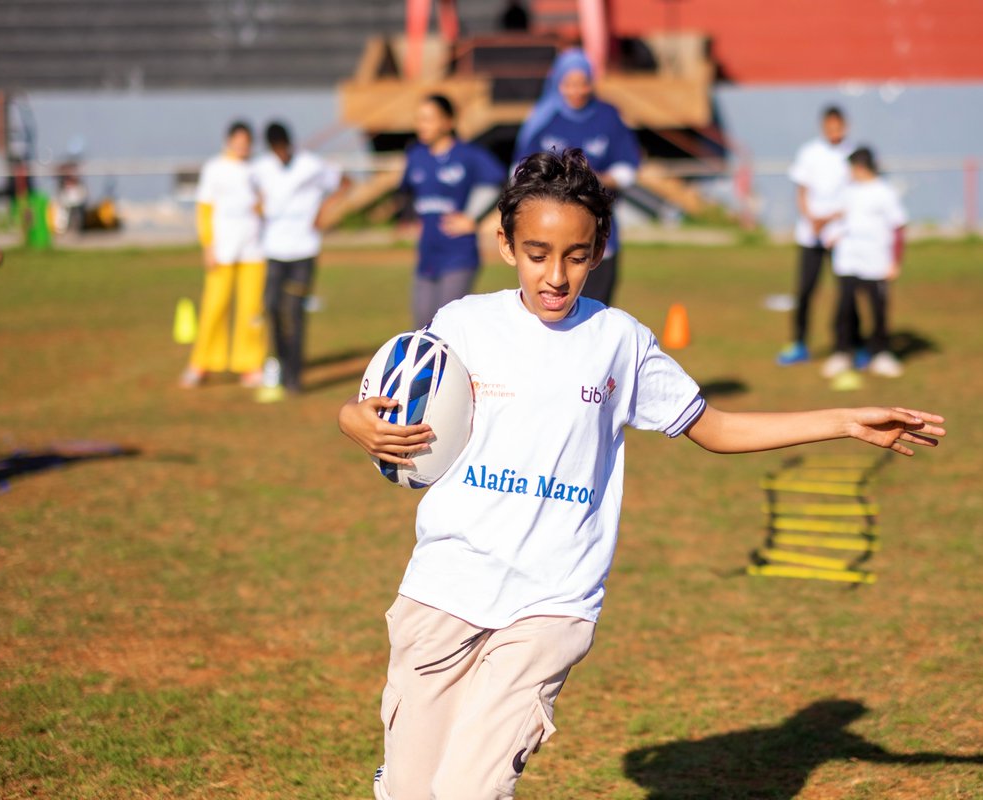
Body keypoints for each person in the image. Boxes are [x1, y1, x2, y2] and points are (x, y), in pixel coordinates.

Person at [337, 149, 946, 800]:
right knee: (410, 792)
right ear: (504, 243)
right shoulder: (463, 324)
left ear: (599, 252)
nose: (556, 275)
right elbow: (388, 399)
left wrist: (843, 422)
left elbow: (713, 428)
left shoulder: (620, 342)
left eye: (576, 255)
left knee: (467, 792)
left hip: (550, 603)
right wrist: (353, 420)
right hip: (443, 590)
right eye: (537, 252)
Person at [512, 48, 640, 306]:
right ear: (557, 82)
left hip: (595, 223)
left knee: (594, 308)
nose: (576, 90)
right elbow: (519, 170)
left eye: (583, 83)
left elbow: (628, 167)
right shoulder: (543, 118)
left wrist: (595, 182)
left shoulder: (608, 116)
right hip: (549, 226)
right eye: (569, 84)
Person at [251, 121, 347, 397]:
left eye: (283, 148)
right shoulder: (261, 169)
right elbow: (250, 195)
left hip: (303, 252)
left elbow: (345, 182)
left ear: (290, 144)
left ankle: (295, 375)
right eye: (275, 149)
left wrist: (324, 212)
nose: (280, 153)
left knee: (293, 310)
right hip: (273, 251)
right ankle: (279, 365)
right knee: (271, 308)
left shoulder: (312, 165)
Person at [401, 95, 507, 328]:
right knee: (421, 327)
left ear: (448, 122)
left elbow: (498, 181)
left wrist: (473, 219)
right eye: (419, 119)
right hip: (427, 254)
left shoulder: (468, 154)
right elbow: (407, 192)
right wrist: (410, 218)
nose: (422, 125)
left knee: (446, 325)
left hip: (458, 253)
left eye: (429, 119)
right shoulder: (416, 155)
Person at [181, 121, 266, 389]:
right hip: (222, 250)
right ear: (229, 140)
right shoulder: (214, 168)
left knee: (252, 310)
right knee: (214, 307)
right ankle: (202, 363)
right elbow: (204, 209)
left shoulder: (258, 170)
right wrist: (208, 245)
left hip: (253, 249)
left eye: (246, 140)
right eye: (238, 140)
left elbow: (265, 205)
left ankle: (250, 364)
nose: (242, 145)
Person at [778, 105, 854, 366]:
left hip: (841, 234)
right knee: (805, 290)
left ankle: (849, 344)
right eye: (830, 127)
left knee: (847, 291)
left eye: (838, 127)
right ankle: (799, 343)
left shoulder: (853, 154)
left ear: (845, 126)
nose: (834, 132)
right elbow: (801, 191)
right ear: (823, 127)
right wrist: (813, 219)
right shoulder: (809, 153)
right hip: (811, 234)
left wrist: (831, 219)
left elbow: (857, 196)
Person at [823, 146, 908, 378]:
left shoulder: (884, 192)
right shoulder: (848, 192)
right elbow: (841, 219)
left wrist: (895, 261)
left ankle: (881, 354)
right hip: (848, 260)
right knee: (844, 308)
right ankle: (842, 352)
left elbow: (898, 227)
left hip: (876, 261)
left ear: (860, 167)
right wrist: (833, 235)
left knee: (878, 309)